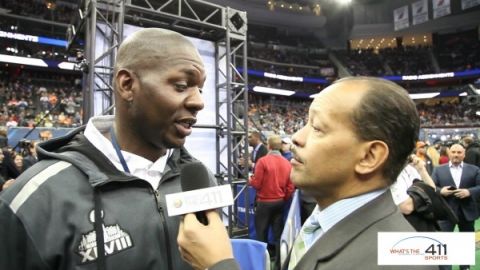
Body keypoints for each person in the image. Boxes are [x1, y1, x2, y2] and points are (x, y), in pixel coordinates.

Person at [0, 28, 214, 270]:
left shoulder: (200, 179)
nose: (199, 102)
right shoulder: (32, 201)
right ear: (127, 84)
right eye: (182, 85)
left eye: (200, 89)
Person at [177, 76, 436, 270]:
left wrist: (218, 265)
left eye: (318, 128)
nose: (297, 138)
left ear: (369, 157)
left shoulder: (399, 260)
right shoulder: (321, 221)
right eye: (304, 124)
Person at [432, 143, 480, 270]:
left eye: (459, 152)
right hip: (445, 212)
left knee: (465, 242)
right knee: (443, 242)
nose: (456, 155)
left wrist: (469, 192)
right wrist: (440, 191)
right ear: (449, 154)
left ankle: (465, 267)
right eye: (453, 152)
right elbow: (432, 187)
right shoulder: (438, 169)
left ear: (464, 155)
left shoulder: (474, 170)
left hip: (467, 211)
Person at [249, 134, 294, 268]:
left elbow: (256, 184)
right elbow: (290, 186)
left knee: (261, 234)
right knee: (278, 234)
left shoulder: (262, 161)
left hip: (264, 202)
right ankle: (279, 264)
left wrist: (250, 181)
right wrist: (283, 198)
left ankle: (262, 264)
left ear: (268, 145)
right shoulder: (287, 163)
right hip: (279, 202)